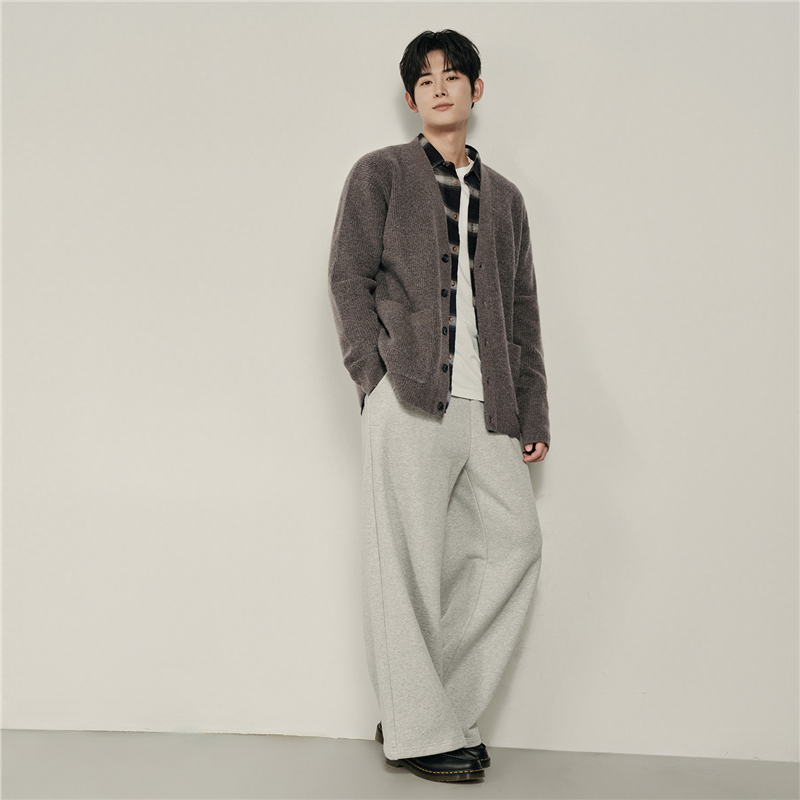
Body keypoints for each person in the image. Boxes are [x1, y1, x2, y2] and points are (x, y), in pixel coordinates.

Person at [328, 29, 550, 784]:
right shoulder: (381, 174)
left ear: (476, 90)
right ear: (411, 97)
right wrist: (374, 377)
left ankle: (431, 713)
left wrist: (532, 410)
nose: (441, 88)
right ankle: (419, 731)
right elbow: (348, 277)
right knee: (409, 566)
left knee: (515, 542)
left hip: (489, 405)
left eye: (453, 76)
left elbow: (521, 310)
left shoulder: (507, 199)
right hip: (409, 396)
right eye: (426, 81)